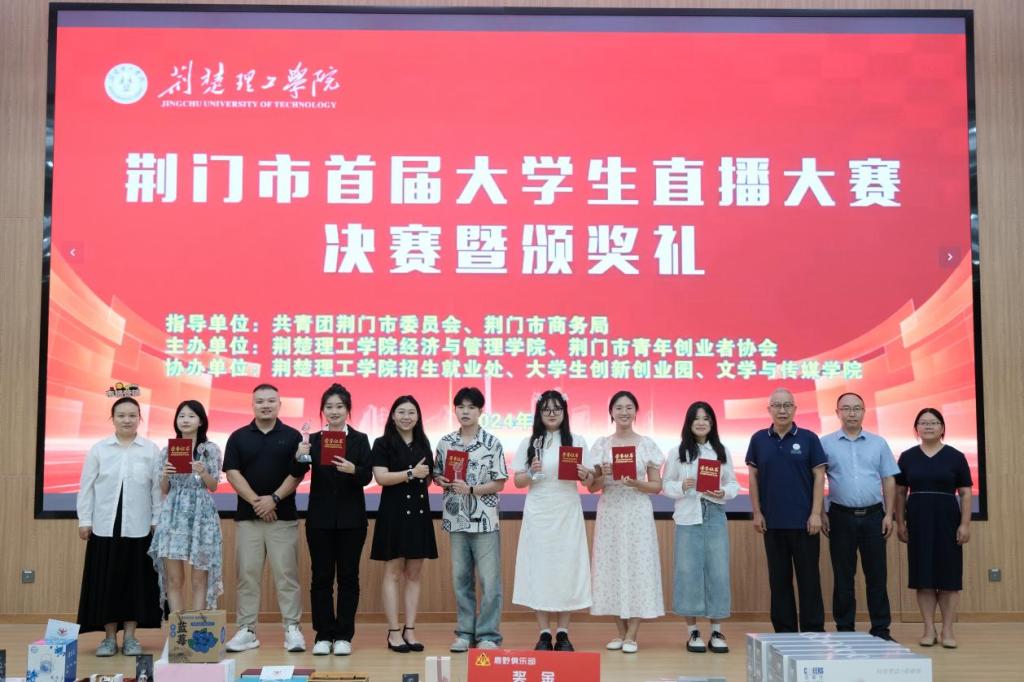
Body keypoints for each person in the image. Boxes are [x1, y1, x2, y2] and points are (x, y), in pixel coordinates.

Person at [223, 384, 306, 653]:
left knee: (287, 575)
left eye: (271, 401)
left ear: (280, 404)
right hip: (249, 519)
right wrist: (258, 502)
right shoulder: (238, 437)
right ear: (252, 405)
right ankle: (247, 630)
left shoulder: (293, 436)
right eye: (260, 401)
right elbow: (232, 473)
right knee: (247, 575)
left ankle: (292, 629)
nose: (265, 405)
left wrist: (275, 499)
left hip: (283, 518)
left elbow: (297, 473)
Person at [76, 397, 162, 656]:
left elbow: (157, 488)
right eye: (121, 415)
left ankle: (132, 638)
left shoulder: (150, 450)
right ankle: (109, 639)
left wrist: (156, 519)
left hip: (139, 526)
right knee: (107, 583)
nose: (127, 420)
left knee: (135, 583)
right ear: (112, 418)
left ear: (140, 419)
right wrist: (85, 520)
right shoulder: (99, 449)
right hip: (104, 526)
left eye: (132, 415)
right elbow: (86, 487)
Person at [511, 390, 595, 652]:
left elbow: (590, 481)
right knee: (540, 569)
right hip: (539, 512)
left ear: (564, 412)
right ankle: (544, 633)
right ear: (539, 413)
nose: (551, 413)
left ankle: (564, 633)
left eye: (556, 409)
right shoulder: (529, 442)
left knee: (566, 569)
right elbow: (518, 481)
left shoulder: (577, 440)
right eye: (546, 409)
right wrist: (531, 472)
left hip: (567, 511)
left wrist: (586, 474)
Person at [294, 384, 373, 656]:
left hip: (352, 520)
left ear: (348, 409)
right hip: (320, 519)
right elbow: (297, 470)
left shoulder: (360, 439)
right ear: (322, 411)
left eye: (339, 406)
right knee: (321, 578)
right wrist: (300, 454)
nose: (334, 411)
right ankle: (323, 635)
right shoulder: (313, 440)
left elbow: (367, 476)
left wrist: (353, 469)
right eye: (329, 407)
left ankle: (343, 636)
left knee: (349, 577)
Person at [745, 388, 827, 633]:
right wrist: (757, 512)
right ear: (769, 409)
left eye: (787, 405)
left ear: (795, 409)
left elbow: (819, 476)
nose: (782, 410)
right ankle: (784, 631)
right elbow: (753, 478)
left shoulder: (809, 438)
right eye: (777, 405)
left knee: (809, 579)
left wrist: (816, 513)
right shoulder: (758, 439)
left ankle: (813, 630)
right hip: (772, 522)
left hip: (805, 523)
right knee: (779, 580)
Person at [434, 387, 509, 652]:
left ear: (480, 411)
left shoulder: (492, 443)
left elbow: (499, 482)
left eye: (471, 407)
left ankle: (488, 635)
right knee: (461, 579)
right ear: (455, 410)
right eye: (461, 407)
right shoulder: (445, 442)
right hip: (457, 520)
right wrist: (441, 480)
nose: (465, 412)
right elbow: (436, 475)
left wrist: (472, 490)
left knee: (490, 581)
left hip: (485, 521)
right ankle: (465, 633)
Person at [589, 390, 664, 654]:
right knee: (610, 567)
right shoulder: (601, 445)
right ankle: (620, 632)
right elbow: (592, 486)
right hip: (610, 511)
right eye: (618, 408)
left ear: (635, 412)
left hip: (637, 512)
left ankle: (632, 634)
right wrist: (604, 475)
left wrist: (636, 483)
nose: (624, 412)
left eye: (629, 407)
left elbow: (656, 486)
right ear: (611, 412)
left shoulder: (647, 444)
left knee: (638, 567)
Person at [820, 392, 900, 640]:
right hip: (840, 517)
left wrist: (889, 514)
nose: (851, 413)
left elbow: (888, 479)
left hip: (874, 516)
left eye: (856, 408)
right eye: (846, 408)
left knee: (877, 576)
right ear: (837, 413)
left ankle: (881, 629)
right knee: (843, 577)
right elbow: (816, 480)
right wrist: (821, 512)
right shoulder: (825, 443)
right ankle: (845, 630)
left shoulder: (879, 443)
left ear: (864, 412)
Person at [662, 401, 738, 654]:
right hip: (688, 516)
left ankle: (716, 630)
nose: (701, 422)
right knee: (688, 572)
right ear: (689, 422)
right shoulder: (677, 452)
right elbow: (666, 485)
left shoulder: (721, 451)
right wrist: (681, 486)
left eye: (706, 418)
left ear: (712, 423)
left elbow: (733, 485)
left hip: (714, 513)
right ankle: (692, 631)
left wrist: (723, 492)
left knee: (718, 572)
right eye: (697, 418)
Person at [894, 408, 972, 649]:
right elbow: (900, 493)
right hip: (918, 522)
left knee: (949, 578)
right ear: (916, 428)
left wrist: (965, 524)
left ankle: (947, 629)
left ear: (942, 427)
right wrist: (900, 522)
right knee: (924, 577)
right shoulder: (907, 457)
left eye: (934, 422)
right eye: (923, 422)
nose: (928, 426)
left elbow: (965, 493)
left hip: (948, 522)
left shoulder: (956, 456)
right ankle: (929, 628)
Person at [370, 395, 437, 653]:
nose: (406, 417)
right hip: (394, 513)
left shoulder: (423, 442)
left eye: (411, 412)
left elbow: (427, 478)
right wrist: (411, 473)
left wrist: (435, 477)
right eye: (401, 412)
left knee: (414, 574)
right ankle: (393, 631)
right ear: (392, 416)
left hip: (419, 514)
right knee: (393, 572)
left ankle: (410, 629)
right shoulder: (382, 443)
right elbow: (381, 477)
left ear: (418, 417)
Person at [150, 400, 223, 613]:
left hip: (202, 515)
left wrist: (203, 472)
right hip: (173, 514)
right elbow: (164, 489)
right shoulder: (167, 451)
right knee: (174, 579)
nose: (185, 420)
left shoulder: (210, 450)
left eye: (191, 416)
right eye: (181, 416)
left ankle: (197, 628)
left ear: (201, 421)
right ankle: (178, 627)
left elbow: (213, 486)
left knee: (199, 579)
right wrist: (165, 475)